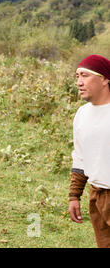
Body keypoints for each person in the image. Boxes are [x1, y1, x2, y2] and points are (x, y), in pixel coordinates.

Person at [68, 54, 110, 248]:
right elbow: (80, 158)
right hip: (97, 197)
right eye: (77, 76)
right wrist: (74, 196)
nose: (79, 82)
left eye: (85, 75)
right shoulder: (82, 114)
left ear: (104, 79)